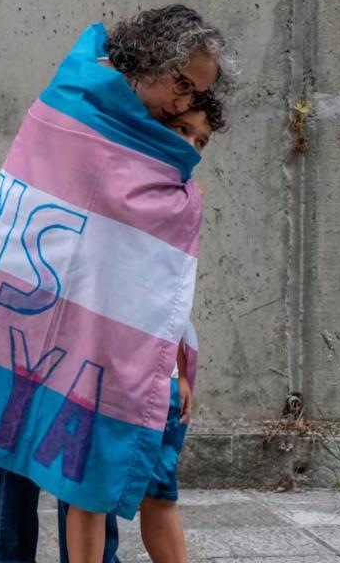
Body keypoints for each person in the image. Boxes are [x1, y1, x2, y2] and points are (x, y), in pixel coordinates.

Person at [0, 4, 235, 563]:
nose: (187, 102)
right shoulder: (76, 106)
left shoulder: (166, 160)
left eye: (198, 94)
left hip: (106, 337)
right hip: (32, 310)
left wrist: (176, 357)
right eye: (184, 84)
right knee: (14, 450)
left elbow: (159, 275)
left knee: (90, 462)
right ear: (153, 59)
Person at [58, 90, 227, 563]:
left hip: (159, 380)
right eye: (181, 131)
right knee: (89, 494)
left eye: (201, 142)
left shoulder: (187, 201)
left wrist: (179, 367)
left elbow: (171, 292)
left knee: (161, 494)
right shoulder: (111, 184)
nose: (191, 147)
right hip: (99, 373)